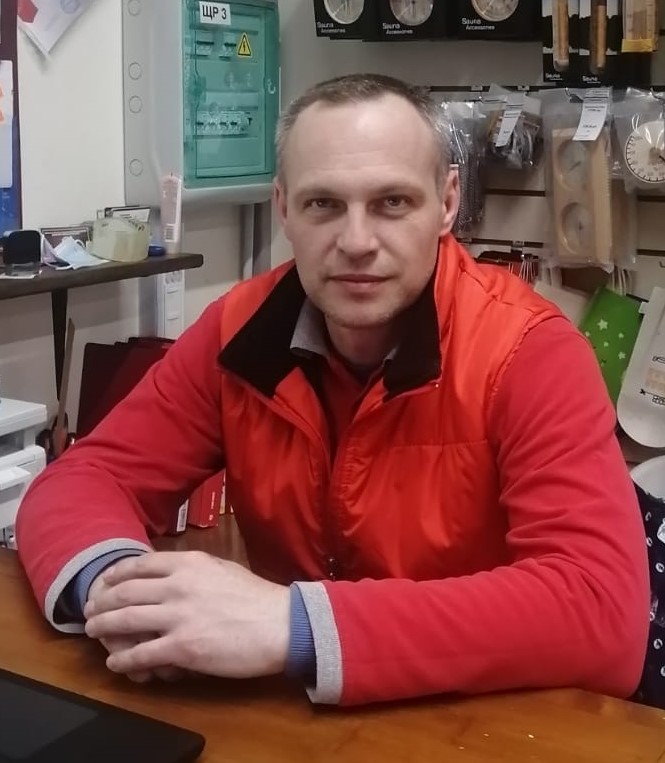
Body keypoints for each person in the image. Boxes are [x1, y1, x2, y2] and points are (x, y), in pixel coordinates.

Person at [17, 73, 649, 707]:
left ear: (447, 203)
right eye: (323, 204)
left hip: (481, 725)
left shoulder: (530, 354)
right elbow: (85, 479)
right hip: (298, 724)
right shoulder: (238, 331)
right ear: (284, 208)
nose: (356, 242)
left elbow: (601, 612)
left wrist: (294, 625)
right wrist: (121, 594)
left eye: (392, 202)